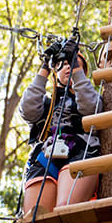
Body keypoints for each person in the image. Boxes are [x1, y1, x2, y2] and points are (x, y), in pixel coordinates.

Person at [19, 40, 102, 213]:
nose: (68, 67)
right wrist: (45, 67)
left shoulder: (92, 97)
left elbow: (91, 108)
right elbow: (27, 110)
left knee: (65, 210)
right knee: (35, 215)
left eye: (72, 64)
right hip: (45, 155)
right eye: (62, 65)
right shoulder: (46, 104)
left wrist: (76, 70)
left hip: (81, 150)